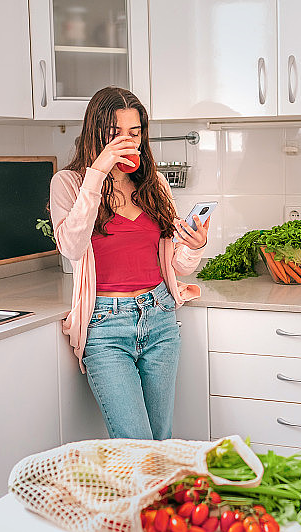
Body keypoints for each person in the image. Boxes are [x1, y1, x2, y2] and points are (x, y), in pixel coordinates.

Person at [49, 86, 208, 440]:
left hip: (160, 318)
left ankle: (162, 497)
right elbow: (71, 247)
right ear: (95, 132)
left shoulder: (154, 184)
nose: (126, 141)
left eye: (134, 133)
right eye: (115, 133)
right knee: (135, 446)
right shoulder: (70, 184)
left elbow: (177, 264)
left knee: (161, 441)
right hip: (106, 327)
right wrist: (98, 172)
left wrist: (195, 246)